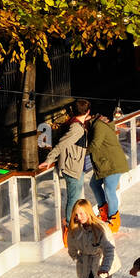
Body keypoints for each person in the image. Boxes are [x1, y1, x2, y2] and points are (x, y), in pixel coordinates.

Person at [37, 99, 92, 236]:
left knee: (76, 196)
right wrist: (49, 159)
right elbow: (62, 144)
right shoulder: (76, 129)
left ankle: (74, 223)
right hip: (72, 167)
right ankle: (69, 228)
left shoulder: (76, 124)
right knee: (73, 198)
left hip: (75, 166)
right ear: (88, 112)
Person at [87, 109, 130, 233]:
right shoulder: (95, 125)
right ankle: (104, 213)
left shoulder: (98, 126)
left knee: (109, 190)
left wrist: (79, 153)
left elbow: (95, 144)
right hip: (104, 163)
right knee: (94, 184)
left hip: (112, 163)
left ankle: (113, 220)